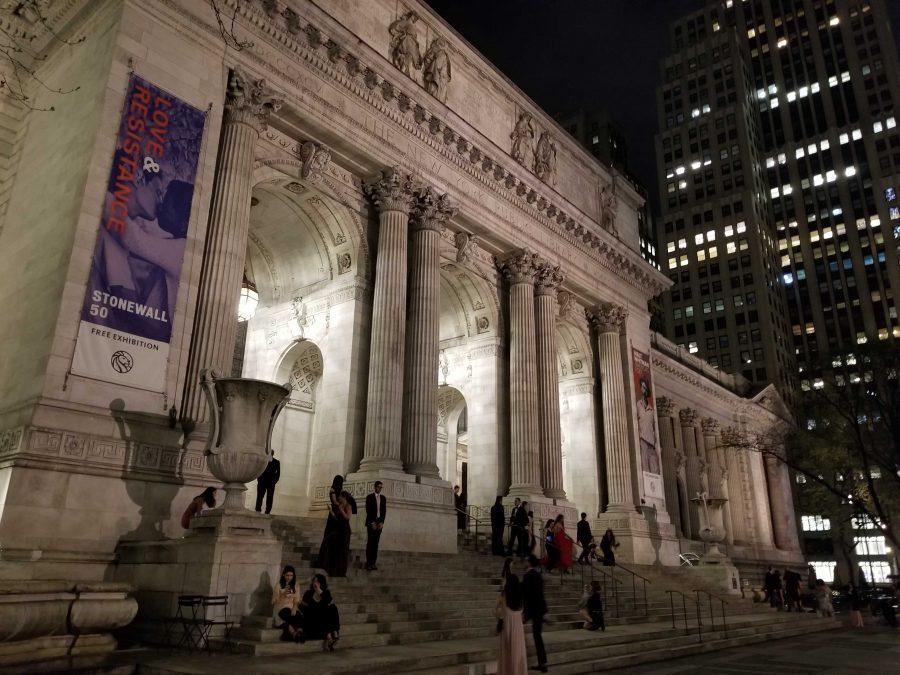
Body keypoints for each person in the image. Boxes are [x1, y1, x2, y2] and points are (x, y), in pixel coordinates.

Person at [295, 574, 341, 650]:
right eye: (314, 581)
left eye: (317, 581)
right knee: (322, 612)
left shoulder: (326, 593)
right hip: (312, 620)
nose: (315, 583)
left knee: (333, 608)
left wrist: (319, 590)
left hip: (323, 621)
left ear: (322, 583)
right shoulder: (308, 593)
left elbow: (329, 601)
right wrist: (297, 602)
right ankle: (331, 635)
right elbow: (302, 608)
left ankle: (331, 634)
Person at [317, 484, 353, 577]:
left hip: (344, 531)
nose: (339, 498)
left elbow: (347, 518)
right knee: (334, 548)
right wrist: (331, 512)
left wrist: (341, 510)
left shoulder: (348, 506)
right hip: (338, 529)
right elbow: (337, 518)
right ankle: (333, 569)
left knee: (343, 551)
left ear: (344, 497)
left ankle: (341, 572)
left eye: (340, 496)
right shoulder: (340, 505)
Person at [494, 573, 527, 675]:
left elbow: (495, 611)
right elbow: (523, 613)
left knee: (507, 652)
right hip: (518, 628)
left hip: (507, 627)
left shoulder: (503, 595)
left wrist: (500, 616)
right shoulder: (521, 596)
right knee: (517, 651)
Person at [523, 554, 548, 673]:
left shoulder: (529, 575)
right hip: (538, 609)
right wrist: (544, 611)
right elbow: (540, 594)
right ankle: (543, 663)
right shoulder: (538, 575)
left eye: (526, 560)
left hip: (532, 609)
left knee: (535, 635)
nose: (524, 562)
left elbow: (527, 595)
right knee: (537, 636)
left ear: (529, 562)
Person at [273, 565, 301, 641]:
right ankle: (293, 632)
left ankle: (296, 633)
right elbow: (274, 600)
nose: (289, 577)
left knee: (298, 614)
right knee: (286, 613)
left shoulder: (296, 585)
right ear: (283, 575)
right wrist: (282, 594)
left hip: (291, 607)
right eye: (287, 575)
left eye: (291, 575)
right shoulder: (278, 585)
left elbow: (297, 598)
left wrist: (295, 607)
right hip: (280, 608)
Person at [365, 480, 386, 571]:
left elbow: (384, 511)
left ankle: (373, 563)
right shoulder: (369, 497)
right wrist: (372, 522)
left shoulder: (383, 498)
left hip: (379, 522)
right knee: (370, 543)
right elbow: (368, 510)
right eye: (378, 487)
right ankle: (368, 563)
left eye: (381, 487)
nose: (380, 489)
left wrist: (382, 522)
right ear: (375, 487)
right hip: (371, 522)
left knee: (376, 543)